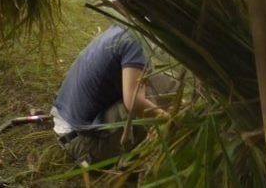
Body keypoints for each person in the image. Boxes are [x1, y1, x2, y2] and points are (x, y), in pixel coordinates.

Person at [52, 25, 176, 167]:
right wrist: (171, 121)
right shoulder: (137, 43)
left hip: (66, 123)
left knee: (160, 82)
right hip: (83, 142)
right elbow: (134, 101)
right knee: (156, 91)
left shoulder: (123, 28)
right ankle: (171, 140)